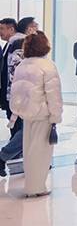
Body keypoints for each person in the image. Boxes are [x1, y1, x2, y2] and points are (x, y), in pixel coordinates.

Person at [8, 31, 63, 197]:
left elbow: (16, 90)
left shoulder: (23, 65)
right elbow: (53, 94)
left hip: (27, 113)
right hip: (42, 113)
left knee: (29, 150)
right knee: (41, 152)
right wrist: (56, 115)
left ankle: (32, 185)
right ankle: (35, 187)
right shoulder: (48, 65)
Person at [0, 17, 38, 177]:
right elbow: (15, 73)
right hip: (25, 96)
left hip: (21, 95)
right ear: (29, 29)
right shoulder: (21, 44)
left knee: (28, 130)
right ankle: (5, 155)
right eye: (36, 26)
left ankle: (35, 160)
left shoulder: (16, 43)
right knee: (28, 130)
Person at [0, 18, 17, 120]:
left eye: (2, 28)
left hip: (14, 95)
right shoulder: (7, 45)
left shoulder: (16, 45)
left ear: (11, 29)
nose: (0, 32)